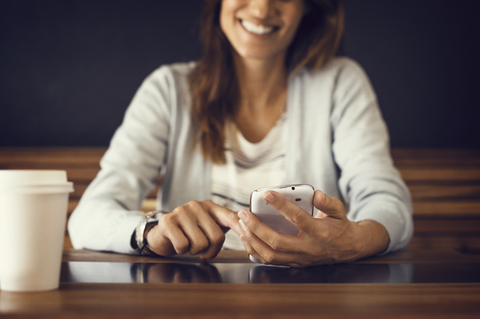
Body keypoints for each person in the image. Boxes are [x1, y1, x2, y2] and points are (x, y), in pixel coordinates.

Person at [68, 0, 413, 267]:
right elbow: (87, 217)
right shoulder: (168, 90)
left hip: (309, 297)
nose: (262, 8)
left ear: (309, 7)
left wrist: (351, 241)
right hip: (193, 299)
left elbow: (387, 200)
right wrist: (151, 232)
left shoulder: (340, 83)